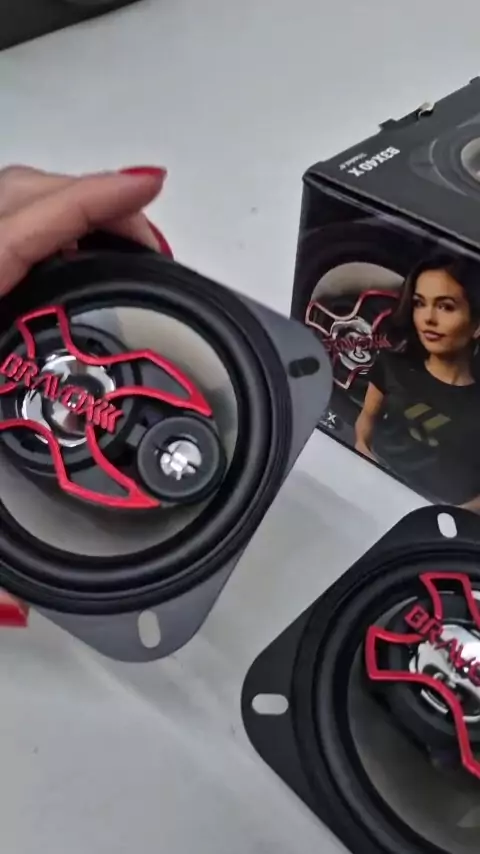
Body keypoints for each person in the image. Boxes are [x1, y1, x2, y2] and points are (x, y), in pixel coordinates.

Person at [354, 253, 480, 510]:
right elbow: (367, 415)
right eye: (420, 303)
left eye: (445, 306)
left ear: (477, 324)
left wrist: (449, 516)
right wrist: (361, 449)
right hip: (367, 489)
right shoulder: (392, 365)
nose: (428, 318)